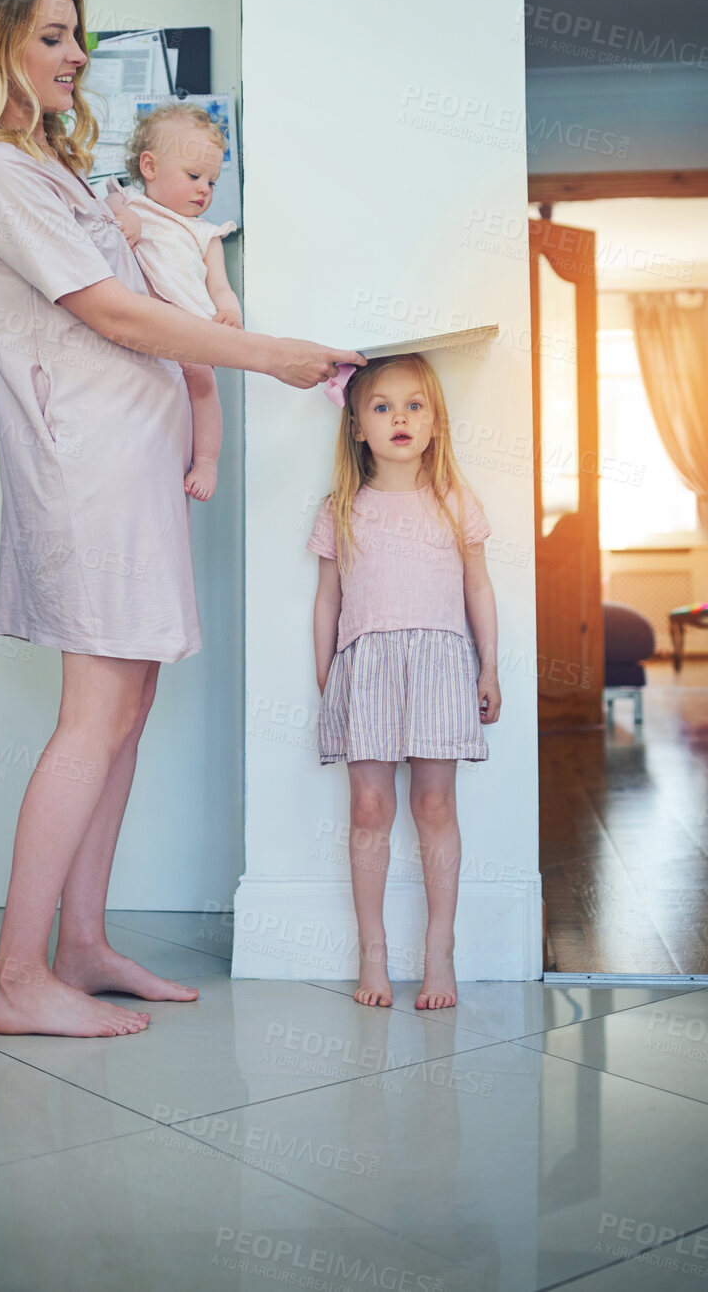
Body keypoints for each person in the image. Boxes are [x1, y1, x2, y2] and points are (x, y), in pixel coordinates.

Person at [0, 0, 363, 1039]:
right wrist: (270, 355)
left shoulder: (50, 168)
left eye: (77, 34)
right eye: (55, 35)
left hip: (129, 470)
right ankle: (19, 979)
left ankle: (83, 945)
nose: (77, 56)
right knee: (96, 716)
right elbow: (115, 317)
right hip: (90, 476)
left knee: (128, 711)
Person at [307, 354, 501, 1012]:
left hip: (442, 663)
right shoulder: (342, 507)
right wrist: (326, 674)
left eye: (414, 405)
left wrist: (489, 664)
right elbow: (327, 599)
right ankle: (373, 952)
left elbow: (478, 584)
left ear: (435, 421)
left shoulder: (453, 500)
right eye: (382, 406)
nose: (399, 418)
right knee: (368, 807)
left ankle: (439, 950)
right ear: (357, 424)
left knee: (434, 805)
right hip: (365, 669)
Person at [105, 101, 239, 502]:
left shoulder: (206, 234)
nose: (204, 189)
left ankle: (207, 460)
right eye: (195, 175)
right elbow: (107, 210)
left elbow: (220, 287)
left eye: (212, 182)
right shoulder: (129, 203)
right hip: (142, 331)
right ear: (150, 167)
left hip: (191, 332)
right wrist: (124, 217)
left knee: (203, 388)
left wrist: (229, 310)